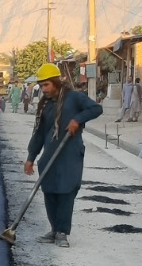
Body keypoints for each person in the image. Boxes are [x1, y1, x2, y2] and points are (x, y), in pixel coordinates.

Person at [23, 62, 102, 248]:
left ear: (56, 82)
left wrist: (77, 120)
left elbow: (96, 109)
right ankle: (53, 229)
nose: (43, 89)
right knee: (49, 191)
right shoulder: (45, 106)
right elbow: (39, 134)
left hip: (69, 154)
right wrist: (30, 158)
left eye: (46, 85)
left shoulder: (74, 98)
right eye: (41, 86)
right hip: (49, 154)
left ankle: (62, 232)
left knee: (66, 191)